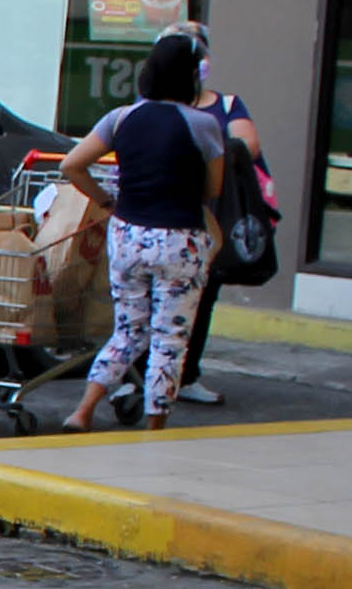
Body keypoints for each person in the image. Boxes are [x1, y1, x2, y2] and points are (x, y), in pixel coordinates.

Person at [56, 32, 226, 436]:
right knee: (169, 337)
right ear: (190, 78)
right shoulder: (204, 124)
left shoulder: (121, 118)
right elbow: (214, 189)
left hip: (128, 235)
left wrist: (107, 200)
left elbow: (71, 165)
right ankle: (156, 423)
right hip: (179, 240)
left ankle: (82, 411)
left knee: (128, 329)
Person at [165, 21, 269, 407]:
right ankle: (142, 377)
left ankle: (186, 374)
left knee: (201, 297)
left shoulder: (226, 106)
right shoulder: (151, 108)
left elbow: (248, 146)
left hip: (212, 217)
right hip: (165, 215)